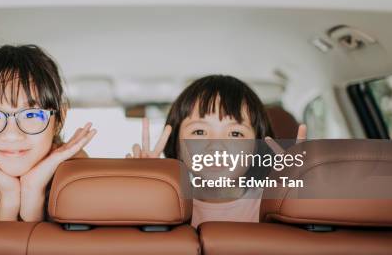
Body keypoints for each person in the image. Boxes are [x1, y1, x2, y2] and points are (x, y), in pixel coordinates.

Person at [127, 75, 305, 227]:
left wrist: (301, 187)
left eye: (235, 133)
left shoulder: (277, 203)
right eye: (199, 132)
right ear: (176, 145)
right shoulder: (164, 205)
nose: (217, 146)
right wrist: (147, 185)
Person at [0, 44, 96, 221]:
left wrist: (33, 191)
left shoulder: (74, 175)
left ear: (59, 120)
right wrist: (9, 197)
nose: (12, 134)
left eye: (31, 114)